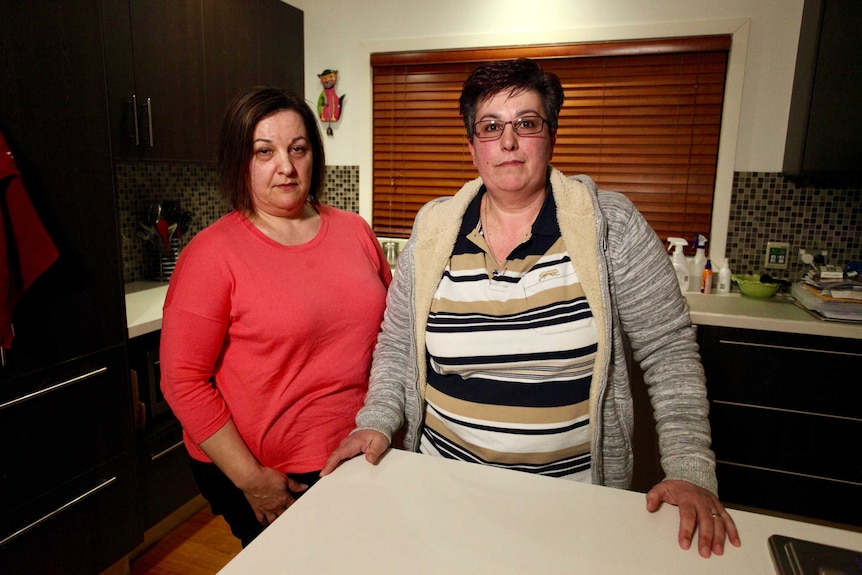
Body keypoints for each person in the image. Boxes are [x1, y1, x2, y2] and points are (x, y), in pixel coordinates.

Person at [322, 59, 741, 558]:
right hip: (442, 494)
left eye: (527, 123)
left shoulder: (612, 226)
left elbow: (669, 353)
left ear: (551, 135)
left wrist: (690, 470)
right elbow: (395, 347)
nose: (508, 141)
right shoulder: (433, 230)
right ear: (472, 145)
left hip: (570, 505)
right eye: (490, 126)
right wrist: (374, 420)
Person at [160, 86, 391, 547]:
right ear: (238, 160)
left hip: (361, 451)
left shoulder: (354, 232)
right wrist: (250, 479)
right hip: (274, 473)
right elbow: (182, 380)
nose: (285, 166)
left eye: (298, 149)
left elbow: (391, 335)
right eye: (264, 151)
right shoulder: (212, 254)